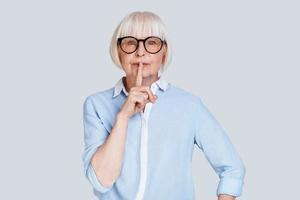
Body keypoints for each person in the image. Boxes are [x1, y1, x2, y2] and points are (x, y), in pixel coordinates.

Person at [82, 11, 246, 200]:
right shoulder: (96, 105)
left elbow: (232, 169)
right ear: (118, 51)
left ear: (164, 52)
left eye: (151, 42)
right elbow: (101, 180)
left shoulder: (188, 105)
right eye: (130, 42)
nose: (140, 52)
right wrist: (123, 116)